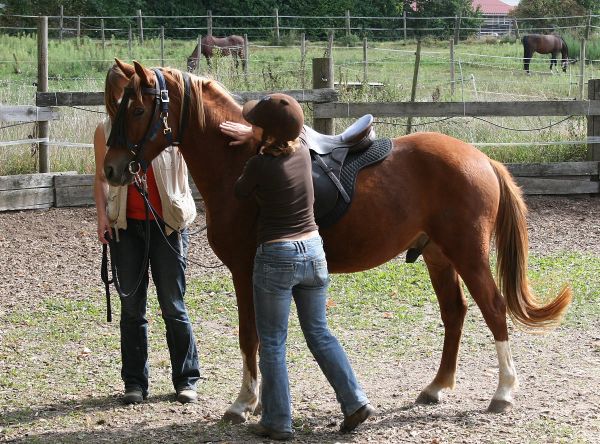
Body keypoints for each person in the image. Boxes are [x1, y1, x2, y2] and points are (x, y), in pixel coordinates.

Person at [220, 94, 374, 440]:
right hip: (314, 252)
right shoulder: (304, 152)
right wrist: (261, 136)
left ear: (268, 133)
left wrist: (252, 150)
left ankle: (276, 420)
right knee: (319, 333)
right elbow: (296, 133)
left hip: (277, 255)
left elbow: (240, 192)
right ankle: (354, 400)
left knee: (273, 342)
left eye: (255, 125)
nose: (250, 127)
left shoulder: (259, 165)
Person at [94, 64, 200, 405]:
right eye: (121, 93)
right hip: (128, 226)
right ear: (112, 97)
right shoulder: (107, 130)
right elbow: (100, 178)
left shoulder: (166, 123)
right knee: (132, 308)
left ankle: (186, 379)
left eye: (133, 90)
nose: (129, 97)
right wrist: (102, 219)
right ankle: (135, 383)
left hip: (167, 224)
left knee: (173, 304)